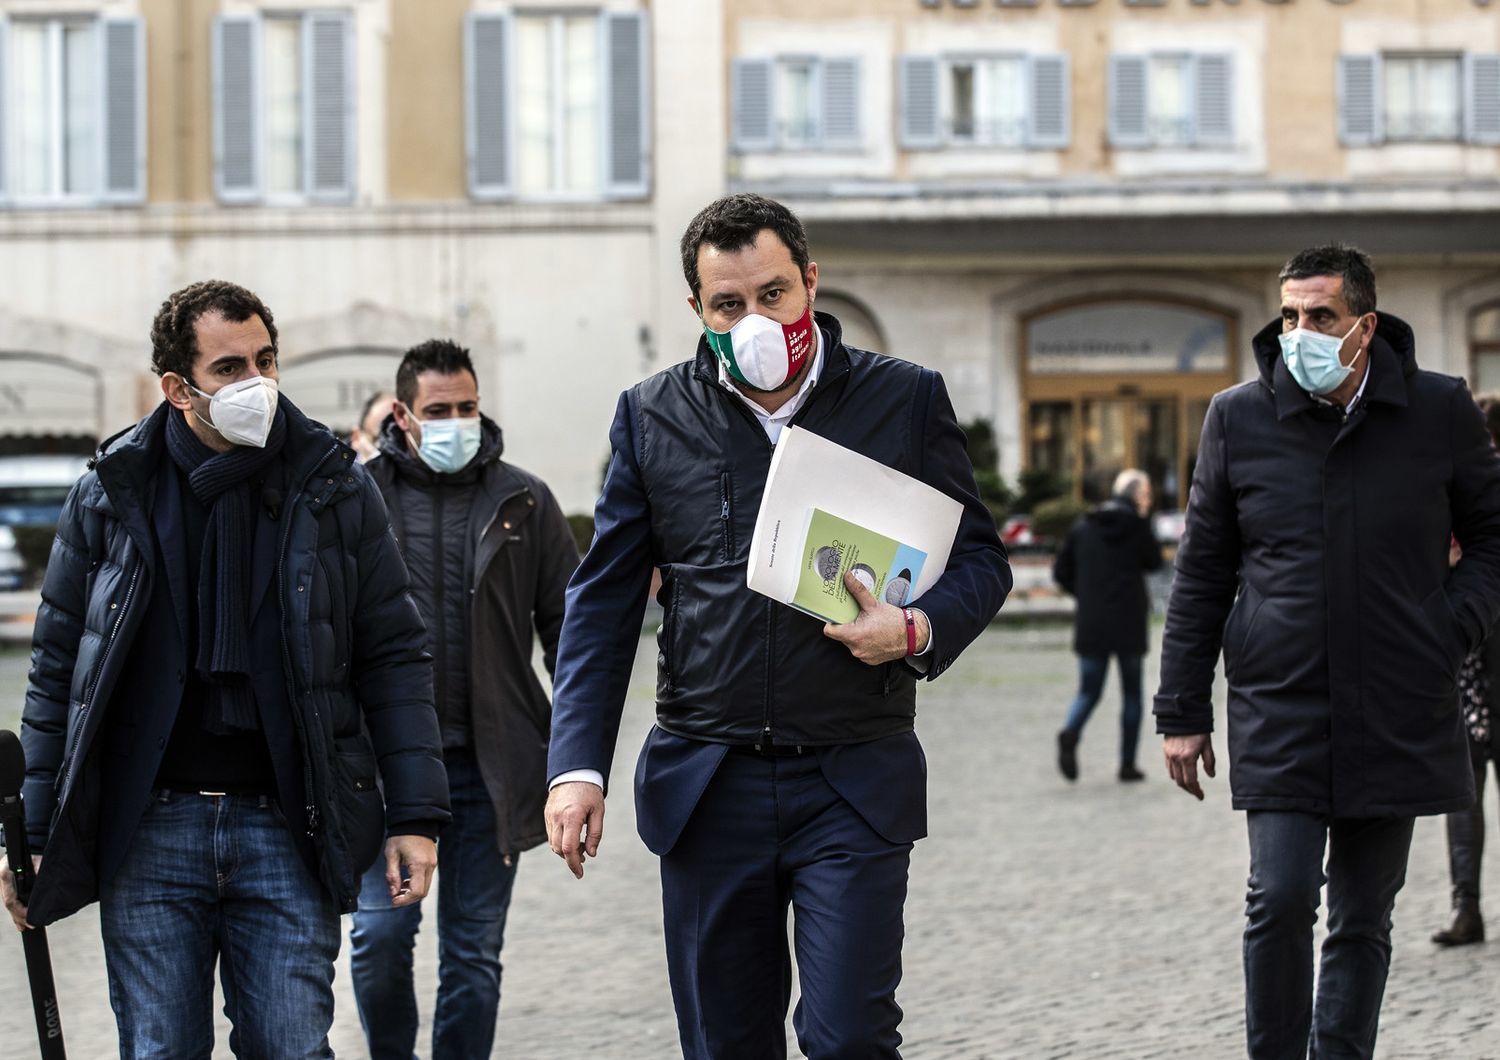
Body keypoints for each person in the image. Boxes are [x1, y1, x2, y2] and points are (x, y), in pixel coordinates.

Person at [543, 194, 1011, 1058]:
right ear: (698, 311)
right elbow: (602, 605)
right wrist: (576, 767)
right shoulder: (651, 417)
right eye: (729, 304)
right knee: (726, 1045)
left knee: (850, 1039)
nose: (755, 319)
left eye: (773, 294)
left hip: (852, 779)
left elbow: (982, 561)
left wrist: (914, 630)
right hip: (707, 784)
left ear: (810, 283)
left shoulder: (904, 401)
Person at [0, 280, 450, 1058]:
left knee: (290, 1045)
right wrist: (33, 834)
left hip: (288, 823)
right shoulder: (113, 491)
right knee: (160, 1048)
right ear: (177, 388)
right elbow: (55, 675)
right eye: (230, 367)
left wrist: (414, 815)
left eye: (267, 360)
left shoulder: (333, 486)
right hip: (149, 832)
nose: (257, 384)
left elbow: (392, 657)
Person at [1154, 244, 1500, 1059]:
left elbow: (1492, 539)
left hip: (1400, 700)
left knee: (1363, 916)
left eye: (1320, 317)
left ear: (1365, 327)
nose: (1299, 331)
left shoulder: (1439, 410)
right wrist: (1181, 711)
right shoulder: (1238, 416)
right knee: (1276, 899)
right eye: (1290, 315)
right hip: (1282, 702)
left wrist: (1448, 625)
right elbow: (1202, 570)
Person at [348, 340, 579, 1058]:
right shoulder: (357, 498)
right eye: (439, 410)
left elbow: (571, 637)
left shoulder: (525, 500)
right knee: (378, 941)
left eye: (468, 407)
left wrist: (572, 760)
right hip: (384, 771)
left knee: (473, 960)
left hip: (491, 768)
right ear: (405, 417)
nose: (456, 421)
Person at [1431, 393, 1500, 947]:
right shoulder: (1448, 495)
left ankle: (1466, 907)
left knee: (1467, 794)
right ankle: (1466, 907)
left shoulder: (1464, 494)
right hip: (1468, 670)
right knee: (1465, 793)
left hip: (1470, 669)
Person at [1052, 468, 1164, 782]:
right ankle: (1127, 765)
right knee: (1132, 694)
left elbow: (1061, 572)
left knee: (1089, 690)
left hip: (1093, 621)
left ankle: (1070, 732)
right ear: (1138, 496)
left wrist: (1085, 594)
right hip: (1129, 621)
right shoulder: (1138, 527)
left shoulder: (1083, 526)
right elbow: (1155, 562)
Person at [351, 390, 397, 463]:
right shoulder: (336, 470)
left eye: (397, 442)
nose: (389, 450)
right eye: (379, 440)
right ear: (355, 437)